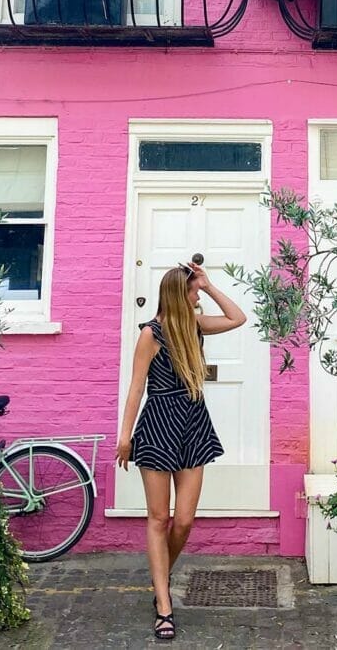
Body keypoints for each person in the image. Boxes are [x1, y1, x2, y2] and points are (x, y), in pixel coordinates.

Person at [115, 260, 247, 641]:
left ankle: (160, 574)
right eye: (192, 291)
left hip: (192, 421)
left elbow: (237, 318)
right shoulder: (151, 334)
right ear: (178, 294)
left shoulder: (195, 325)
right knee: (158, 518)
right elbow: (136, 387)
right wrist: (125, 436)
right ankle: (163, 604)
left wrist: (207, 285)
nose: (197, 297)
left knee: (184, 519)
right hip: (158, 423)